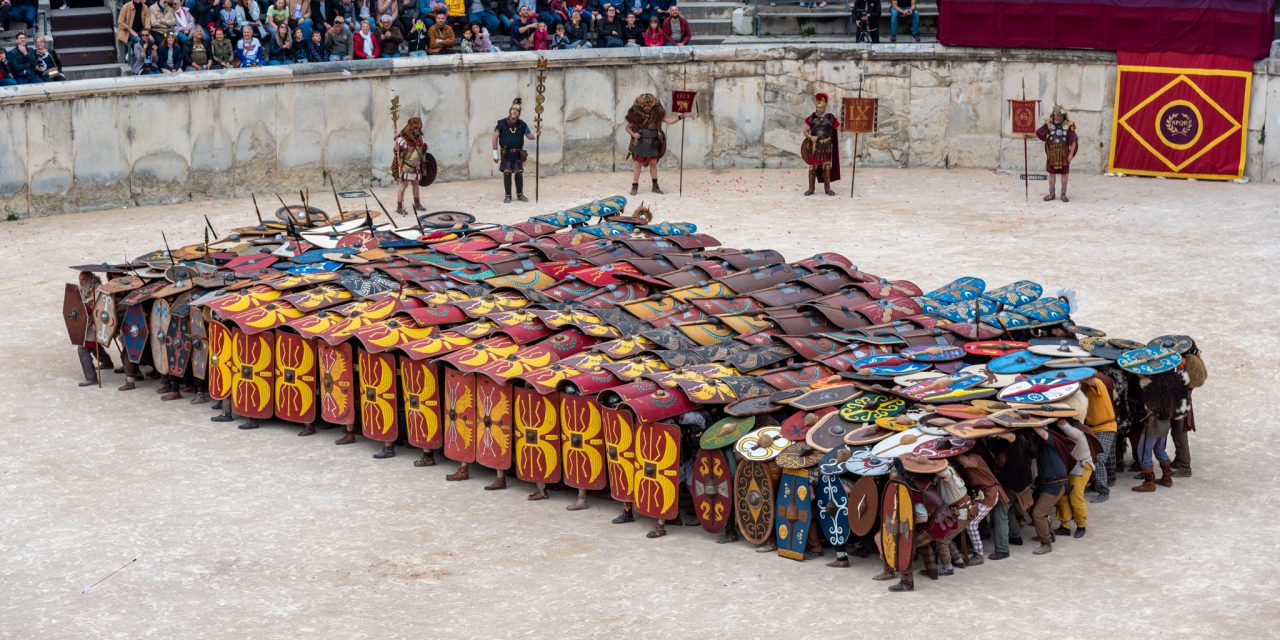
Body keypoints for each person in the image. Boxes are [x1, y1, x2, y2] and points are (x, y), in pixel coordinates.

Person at [1132, 371, 1187, 493]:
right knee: (1160, 449)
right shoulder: (1170, 384)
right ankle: (1167, 478)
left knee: (1144, 452)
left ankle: (1149, 483)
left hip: (1153, 423)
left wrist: (1144, 379)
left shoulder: (1151, 386)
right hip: (1165, 422)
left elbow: (1148, 404)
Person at [624, 92, 682, 195]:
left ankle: (655, 186)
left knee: (653, 164)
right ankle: (634, 187)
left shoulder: (657, 116)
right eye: (645, 105)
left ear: (653, 105)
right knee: (638, 165)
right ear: (641, 105)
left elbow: (669, 121)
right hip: (640, 144)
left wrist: (679, 118)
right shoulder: (637, 116)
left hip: (653, 144)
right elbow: (627, 127)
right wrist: (633, 134)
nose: (647, 107)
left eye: (649, 105)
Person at [1080, 371, 1117, 503]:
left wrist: (1079, 374)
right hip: (1093, 428)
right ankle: (1095, 485)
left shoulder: (1098, 383)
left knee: (1099, 459)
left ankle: (1103, 491)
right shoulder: (1085, 391)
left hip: (1106, 427)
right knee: (1092, 458)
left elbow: (1092, 381)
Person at [1052, 419, 1093, 539]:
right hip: (1069, 468)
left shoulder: (1078, 434)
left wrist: (1058, 418)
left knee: (1075, 496)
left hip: (1081, 468)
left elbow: (1064, 425)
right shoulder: (1066, 436)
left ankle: (1081, 525)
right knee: (1062, 496)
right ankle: (1065, 525)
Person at [491, 97, 536, 203]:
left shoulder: (522, 124)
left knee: (519, 173)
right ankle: (508, 196)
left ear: (519, 113)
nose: (515, 112)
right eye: (513, 109)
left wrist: (536, 135)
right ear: (510, 110)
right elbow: (494, 138)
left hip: (518, 153)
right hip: (506, 153)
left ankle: (520, 195)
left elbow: (529, 136)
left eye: (517, 110)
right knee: (507, 173)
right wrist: (494, 152)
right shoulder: (501, 123)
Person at [1172, 342, 1206, 477]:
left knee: (1180, 434)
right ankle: (1179, 459)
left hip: (1181, 405)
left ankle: (1185, 466)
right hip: (1179, 403)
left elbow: (1185, 385)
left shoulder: (1189, 368)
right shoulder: (1189, 363)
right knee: (1176, 433)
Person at [801, 92, 841, 196]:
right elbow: (804, 132)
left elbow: (840, 127)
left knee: (827, 167)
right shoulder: (812, 118)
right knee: (812, 167)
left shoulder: (830, 118)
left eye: (821, 107)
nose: (818, 109)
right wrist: (811, 137)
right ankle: (811, 189)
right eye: (817, 107)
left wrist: (851, 128)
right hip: (814, 147)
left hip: (826, 147)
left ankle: (827, 189)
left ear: (824, 107)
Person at [1036, 104, 1078, 202]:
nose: (1057, 117)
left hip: (1064, 154)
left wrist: (1071, 154)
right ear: (1053, 115)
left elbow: (1074, 141)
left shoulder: (1069, 125)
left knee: (1065, 174)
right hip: (1052, 154)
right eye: (1056, 115)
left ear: (1063, 116)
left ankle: (1063, 194)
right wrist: (1028, 135)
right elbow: (1039, 133)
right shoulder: (1049, 123)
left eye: (1059, 116)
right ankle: (1052, 193)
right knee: (1051, 174)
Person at [392, 116, 429, 213]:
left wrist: (424, 166)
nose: (417, 130)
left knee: (416, 183)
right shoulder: (402, 139)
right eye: (415, 127)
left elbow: (423, 152)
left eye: (419, 128)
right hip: (406, 165)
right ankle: (400, 207)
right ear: (410, 127)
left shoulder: (421, 137)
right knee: (403, 185)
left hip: (417, 165)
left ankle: (417, 204)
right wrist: (396, 148)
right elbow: (396, 152)